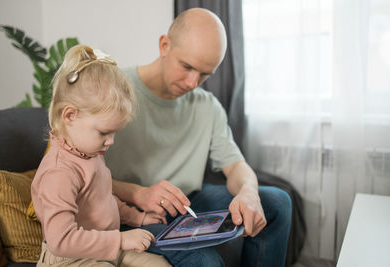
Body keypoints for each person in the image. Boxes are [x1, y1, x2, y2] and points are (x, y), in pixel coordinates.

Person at [106, 8, 292, 267]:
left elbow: (236, 166)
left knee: (277, 202)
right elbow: (73, 169)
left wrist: (248, 192)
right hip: (128, 211)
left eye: (205, 74)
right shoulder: (113, 88)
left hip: (188, 205)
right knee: (204, 261)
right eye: (187, 67)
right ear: (164, 45)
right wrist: (137, 193)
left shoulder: (207, 106)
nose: (193, 82)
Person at [31, 45, 171, 267]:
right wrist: (122, 238)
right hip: (69, 258)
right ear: (70, 115)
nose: (111, 141)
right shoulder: (59, 172)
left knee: (159, 264)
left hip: (105, 248)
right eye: (104, 132)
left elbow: (103, 200)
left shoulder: (89, 152)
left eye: (115, 132)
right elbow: (61, 240)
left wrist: (137, 218)